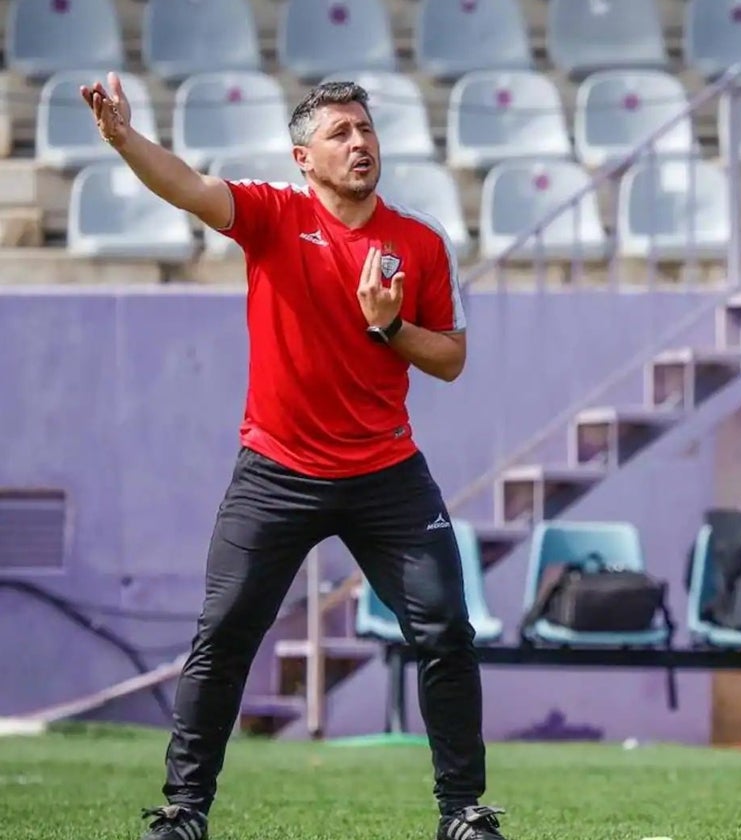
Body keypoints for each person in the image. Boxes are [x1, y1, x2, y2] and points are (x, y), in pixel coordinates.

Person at [79, 73, 509, 840]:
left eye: (366, 130)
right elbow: (187, 187)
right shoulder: (274, 216)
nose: (360, 143)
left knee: (445, 630)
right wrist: (121, 137)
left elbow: (449, 358)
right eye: (340, 133)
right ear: (302, 158)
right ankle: (183, 812)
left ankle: (463, 813)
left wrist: (388, 327)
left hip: (385, 472)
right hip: (276, 470)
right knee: (224, 635)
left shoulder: (418, 243)